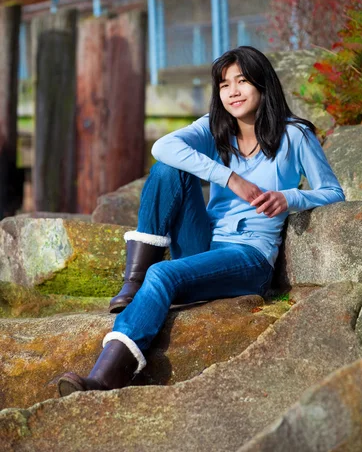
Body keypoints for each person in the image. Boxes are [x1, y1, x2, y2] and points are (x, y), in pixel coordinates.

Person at [57, 45, 345, 397]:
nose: (233, 92)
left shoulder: (295, 134)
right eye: (224, 85)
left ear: (263, 84)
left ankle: (105, 378)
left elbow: (333, 192)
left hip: (249, 255)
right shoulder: (215, 129)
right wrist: (229, 178)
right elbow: (162, 147)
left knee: (161, 273)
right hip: (206, 242)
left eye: (242, 81)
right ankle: (132, 284)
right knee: (167, 170)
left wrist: (290, 197)